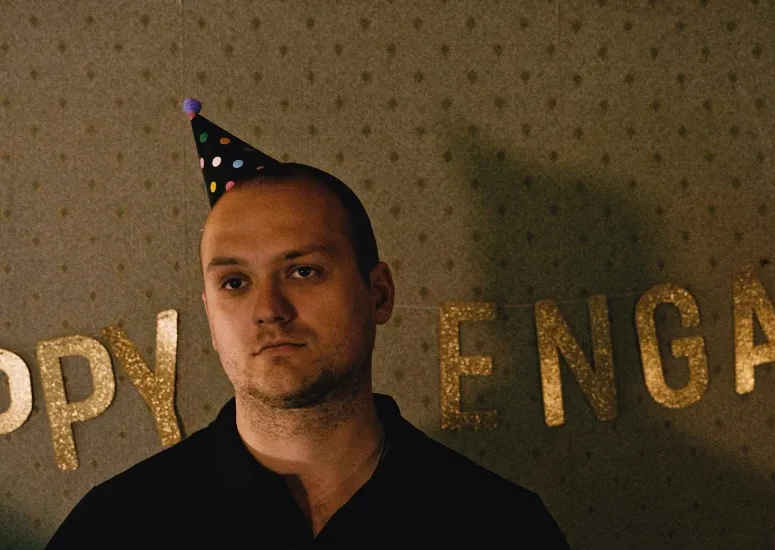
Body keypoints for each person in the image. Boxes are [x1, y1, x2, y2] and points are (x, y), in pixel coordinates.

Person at [46, 100, 569, 548]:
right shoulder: (115, 527)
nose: (269, 308)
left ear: (378, 293)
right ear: (209, 314)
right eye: (234, 282)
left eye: (303, 271)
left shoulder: (502, 526)